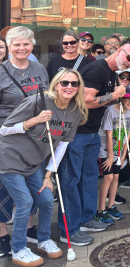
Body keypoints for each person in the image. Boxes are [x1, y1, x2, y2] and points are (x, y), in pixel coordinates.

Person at [0, 69, 87, 266]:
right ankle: (19, 250)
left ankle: (43, 240)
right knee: (24, 202)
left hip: (34, 162)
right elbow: (4, 130)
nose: (69, 87)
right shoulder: (37, 101)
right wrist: (35, 121)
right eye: (65, 83)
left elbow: (61, 148)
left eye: (74, 84)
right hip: (10, 158)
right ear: (56, 84)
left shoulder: (75, 112)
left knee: (47, 199)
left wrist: (48, 175)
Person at [59, 42, 130, 246]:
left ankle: (86, 219)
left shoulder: (111, 72)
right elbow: (86, 100)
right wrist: (115, 96)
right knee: (72, 180)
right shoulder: (97, 68)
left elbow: (102, 102)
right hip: (78, 132)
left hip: (93, 132)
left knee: (89, 177)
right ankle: (69, 230)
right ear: (119, 51)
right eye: (129, 58)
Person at [0, 27, 49, 256]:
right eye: (16, 44)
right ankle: (5, 237)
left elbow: (46, 98)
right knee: (7, 193)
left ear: (32, 45)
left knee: (35, 192)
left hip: (33, 140)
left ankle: (28, 230)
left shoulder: (39, 68)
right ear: (9, 46)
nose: (21, 48)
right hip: (8, 141)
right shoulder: (1, 71)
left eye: (26, 44)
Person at [96, 87, 130, 225]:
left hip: (119, 152)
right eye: (128, 98)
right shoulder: (111, 111)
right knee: (108, 177)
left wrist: (123, 155)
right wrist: (109, 156)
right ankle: (101, 210)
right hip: (106, 150)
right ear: (122, 97)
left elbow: (127, 136)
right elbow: (108, 134)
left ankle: (111, 206)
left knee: (116, 177)